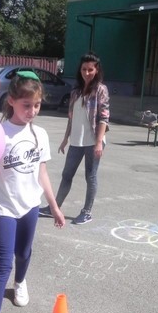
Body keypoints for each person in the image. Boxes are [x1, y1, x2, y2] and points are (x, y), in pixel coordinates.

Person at [0, 72, 65, 313]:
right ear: (11, 101)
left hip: (30, 205)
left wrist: (54, 206)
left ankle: (21, 282)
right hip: (4, 206)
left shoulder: (40, 134)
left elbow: (42, 173)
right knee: (3, 263)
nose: (32, 111)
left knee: (23, 253)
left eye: (36, 105)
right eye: (27, 105)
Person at [39, 52, 110, 225]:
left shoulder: (101, 90)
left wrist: (99, 143)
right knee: (67, 174)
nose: (87, 73)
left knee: (90, 176)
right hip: (76, 141)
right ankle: (54, 207)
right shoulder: (76, 92)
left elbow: (104, 117)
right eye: (84, 69)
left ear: (97, 70)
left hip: (93, 141)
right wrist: (65, 139)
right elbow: (72, 118)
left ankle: (87, 212)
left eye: (90, 69)